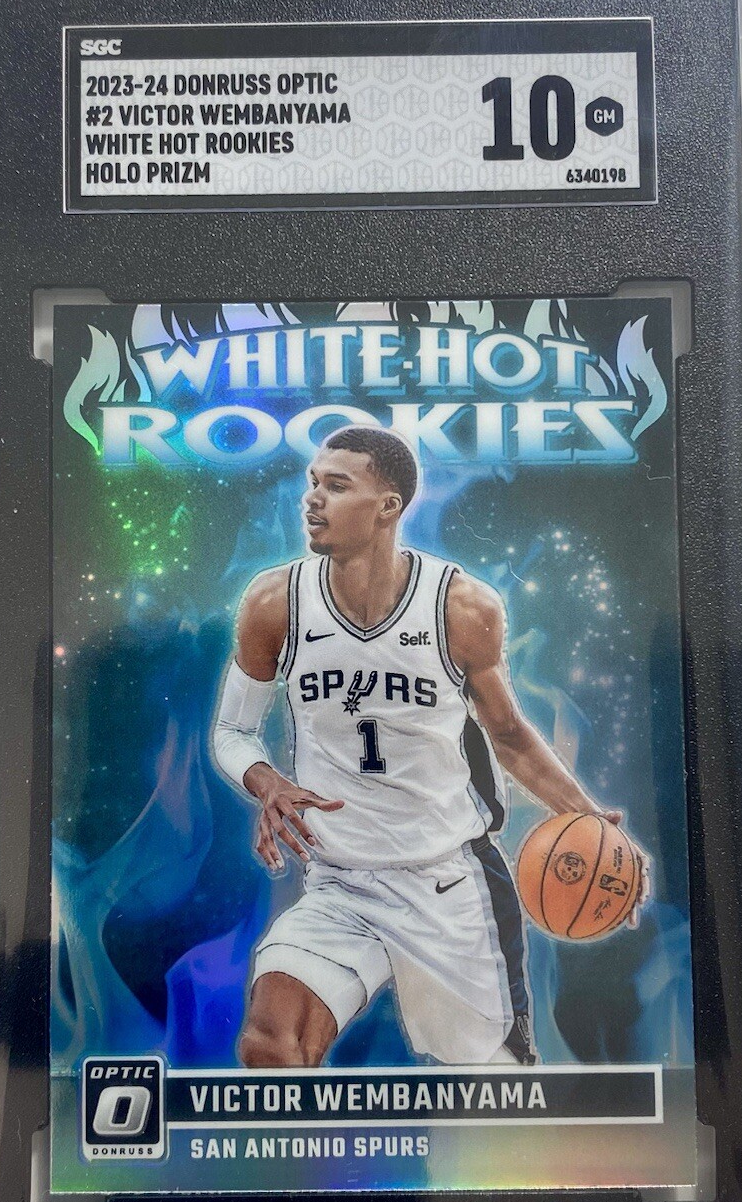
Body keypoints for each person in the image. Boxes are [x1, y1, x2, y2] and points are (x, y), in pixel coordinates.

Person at [212, 425, 645, 1069]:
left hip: (448, 885)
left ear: (388, 506)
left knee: (495, 1097)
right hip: (340, 883)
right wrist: (265, 780)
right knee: (270, 1044)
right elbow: (232, 732)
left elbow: (508, 735)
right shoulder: (275, 602)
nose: (313, 499)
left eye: (337, 486)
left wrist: (589, 820)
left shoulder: (461, 607)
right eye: (313, 483)